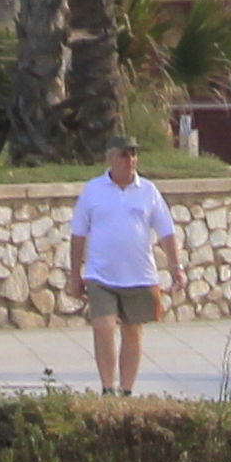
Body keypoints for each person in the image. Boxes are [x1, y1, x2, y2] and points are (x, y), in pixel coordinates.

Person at [65, 135, 185, 395]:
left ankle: (126, 391)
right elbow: (78, 235)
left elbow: (166, 232)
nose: (130, 160)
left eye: (133, 154)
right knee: (104, 326)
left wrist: (176, 267)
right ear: (110, 158)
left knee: (133, 333)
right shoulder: (93, 190)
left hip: (139, 276)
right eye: (124, 154)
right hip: (101, 275)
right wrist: (75, 274)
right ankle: (108, 389)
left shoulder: (149, 191)